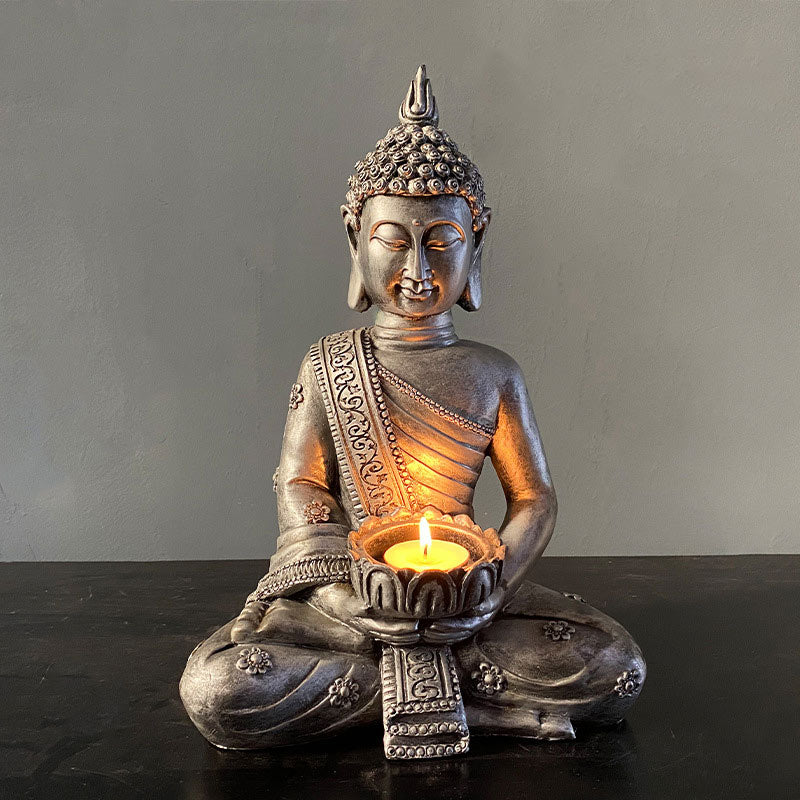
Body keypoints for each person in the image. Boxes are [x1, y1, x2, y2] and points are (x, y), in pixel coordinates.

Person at [180, 66, 645, 750]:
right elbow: (301, 485)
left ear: (475, 245)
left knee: (617, 666)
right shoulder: (326, 365)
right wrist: (345, 596)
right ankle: (478, 708)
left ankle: (386, 697)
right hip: (348, 598)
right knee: (217, 688)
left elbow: (534, 499)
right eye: (394, 242)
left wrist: (490, 590)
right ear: (355, 240)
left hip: (467, 599)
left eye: (442, 243)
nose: (419, 272)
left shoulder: (494, 373)